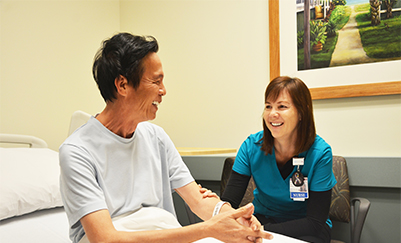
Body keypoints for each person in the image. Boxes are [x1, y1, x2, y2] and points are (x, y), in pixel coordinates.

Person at [59, 32, 272, 243]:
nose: (163, 91)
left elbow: (198, 201)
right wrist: (208, 230)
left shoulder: (156, 137)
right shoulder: (77, 151)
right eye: (156, 81)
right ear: (122, 85)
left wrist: (233, 217)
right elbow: (105, 239)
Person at [221, 76, 337, 243]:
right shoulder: (251, 146)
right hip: (262, 219)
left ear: (301, 113)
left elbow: (315, 222)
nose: (272, 114)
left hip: (306, 228)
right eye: (268, 106)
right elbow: (229, 202)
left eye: (282, 106)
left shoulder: (320, 153)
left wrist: (261, 231)